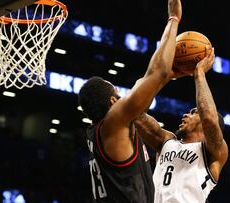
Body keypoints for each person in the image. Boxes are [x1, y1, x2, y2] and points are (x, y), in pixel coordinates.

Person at [77, 0, 183, 202]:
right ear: (112, 101)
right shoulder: (114, 123)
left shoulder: (102, 129)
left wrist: (166, 77)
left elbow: (147, 81)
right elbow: (156, 72)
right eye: (117, 93)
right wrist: (174, 19)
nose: (122, 97)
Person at [134, 48, 228, 203]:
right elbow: (136, 113)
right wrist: (164, 77)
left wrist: (199, 74)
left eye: (194, 112)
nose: (186, 114)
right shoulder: (166, 141)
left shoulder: (214, 152)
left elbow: (209, 119)